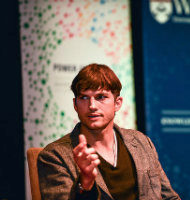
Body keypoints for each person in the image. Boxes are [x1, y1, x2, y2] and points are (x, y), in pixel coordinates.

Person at [37, 63, 181, 200]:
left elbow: (169, 197)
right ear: (75, 104)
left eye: (101, 97)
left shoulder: (141, 142)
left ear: (117, 103)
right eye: (84, 97)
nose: (92, 106)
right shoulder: (54, 156)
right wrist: (85, 184)